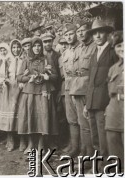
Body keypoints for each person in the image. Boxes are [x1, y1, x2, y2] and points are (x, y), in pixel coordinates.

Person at [83, 19, 118, 171]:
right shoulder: (93, 55)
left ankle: (106, 164)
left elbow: (115, 79)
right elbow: (90, 80)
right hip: (91, 101)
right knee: (94, 133)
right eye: (95, 33)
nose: (97, 36)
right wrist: (86, 103)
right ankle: (97, 160)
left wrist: (111, 103)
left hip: (104, 101)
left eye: (101, 32)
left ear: (107, 33)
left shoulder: (112, 53)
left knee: (104, 134)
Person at [17, 37, 58, 154]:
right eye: (34, 46)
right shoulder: (26, 60)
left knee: (43, 117)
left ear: (41, 46)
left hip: (43, 92)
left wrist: (48, 77)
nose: (37, 48)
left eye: (39, 45)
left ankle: (41, 144)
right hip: (29, 93)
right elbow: (18, 77)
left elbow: (56, 76)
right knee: (30, 117)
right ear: (31, 47)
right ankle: (31, 144)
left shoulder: (47, 59)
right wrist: (29, 78)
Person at [72, 20, 97, 161]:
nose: (80, 33)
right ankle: (85, 152)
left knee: (90, 124)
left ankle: (93, 156)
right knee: (82, 125)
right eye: (78, 31)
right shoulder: (79, 48)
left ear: (89, 31)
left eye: (83, 30)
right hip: (77, 89)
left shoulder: (94, 47)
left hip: (89, 89)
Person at [61, 23, 81, 158]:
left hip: (80, 88)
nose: (68, 37)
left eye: (71, 34)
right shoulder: (65, 52)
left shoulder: (82, 49)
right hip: (68, 88)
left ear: (76, 33)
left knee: (83, 120)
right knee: (71, 119)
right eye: (66, 35)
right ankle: (74, 147)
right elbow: (65, 73)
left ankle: (85, 149)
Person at [105, 31, 124, 172]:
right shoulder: (113, 68)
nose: (122, 48)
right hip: (113, 115)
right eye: (118, 45)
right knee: (114, 150)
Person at [0, 42, 19, 151]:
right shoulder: (1, 62)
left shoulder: (12, 60)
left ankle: (19, 138)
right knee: (7, 113)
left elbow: (16, 74)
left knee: (16, 112)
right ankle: (10, 138)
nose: (3, 52)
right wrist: (3, 81)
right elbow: (0, 77)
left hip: (15, 88)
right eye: (1, 50)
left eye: (5, 50)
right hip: (6, 90)